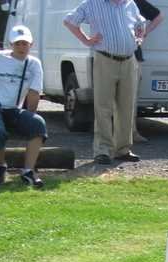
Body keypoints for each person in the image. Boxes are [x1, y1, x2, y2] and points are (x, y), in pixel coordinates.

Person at [63, 0, 144, 165]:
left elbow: (140, 23)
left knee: (127, 107)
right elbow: (69, 21)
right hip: (105, 59)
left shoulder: (130, 4)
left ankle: (123, 149)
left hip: (129, 60)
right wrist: (86, 40)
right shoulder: (93, 3)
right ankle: (103, 151)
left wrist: (139, 37)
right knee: (103, 107)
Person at [0, 24, 47, 187]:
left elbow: (34, 93)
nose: (21, 47)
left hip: (13, 109)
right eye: (17, 43)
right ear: (10, 45)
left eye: (25, 43)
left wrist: (29, 117)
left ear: (31, 44)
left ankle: (28, 171)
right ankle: (0, 166)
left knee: (38, 123)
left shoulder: (34, 64)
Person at [132, 0, 162, 143]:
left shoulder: (134, 2)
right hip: (111, 55)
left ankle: (131, 132)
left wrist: (144, 33)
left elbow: (158, 16)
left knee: (131, 98)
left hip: (134, 55)